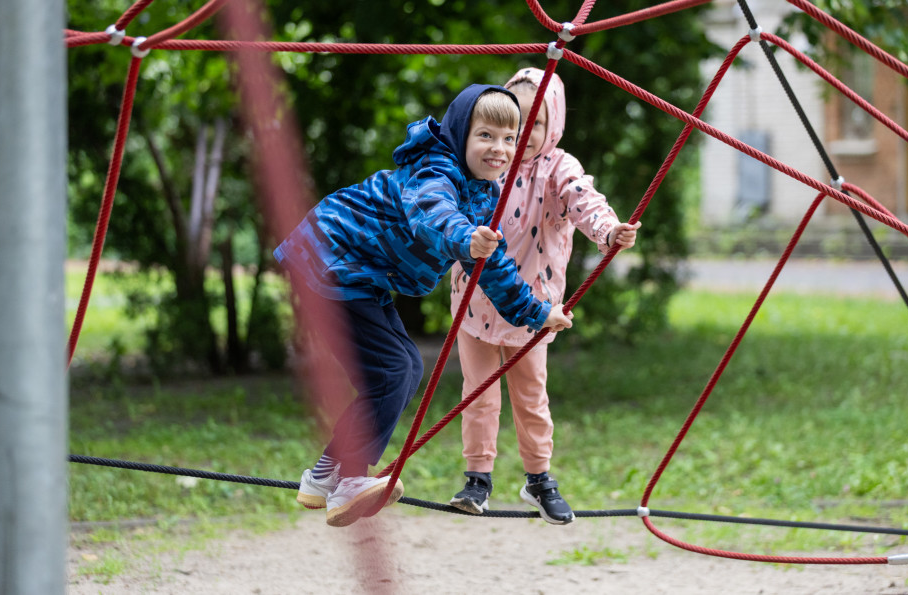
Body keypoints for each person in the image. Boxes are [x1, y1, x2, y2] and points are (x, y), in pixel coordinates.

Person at [274, 83, 574, 528]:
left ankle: (324, 477)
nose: (500, 148)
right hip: (330, 257)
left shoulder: (484, 193)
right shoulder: (434, 168)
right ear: (460, 134)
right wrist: (463, 237)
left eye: (510, 138)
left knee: (405, 368)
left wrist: (537, 312)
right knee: (393, 370)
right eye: (486, 135)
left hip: (360, 273)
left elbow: (490, 268)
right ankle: (349, 479)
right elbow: (432, 214)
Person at [448, 68, 640, 525]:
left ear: (552, 124)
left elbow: (583, 199)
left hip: (533, 309)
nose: (526, 132)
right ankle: (478, 479)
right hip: (475, 301)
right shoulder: (488, 160)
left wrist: (608, 229)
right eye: (519, 119)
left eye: (538, 122)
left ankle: (538, 478)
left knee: (531, 398)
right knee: (478, 396)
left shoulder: (558, 167)